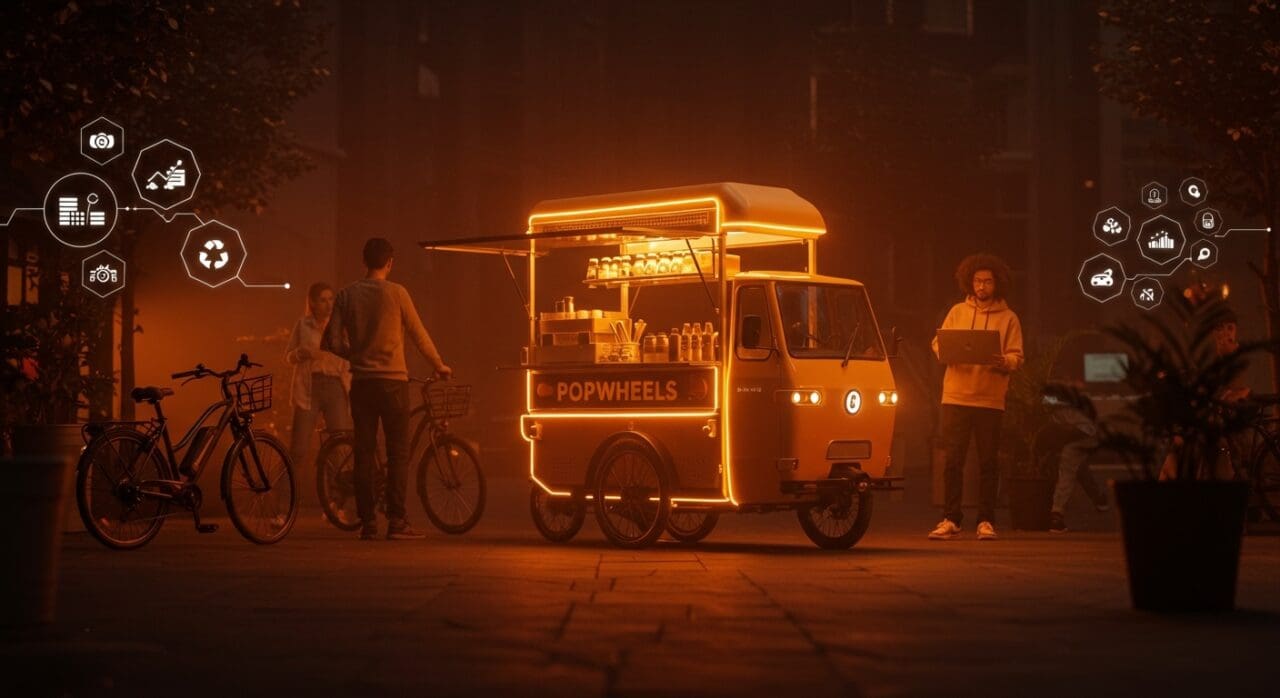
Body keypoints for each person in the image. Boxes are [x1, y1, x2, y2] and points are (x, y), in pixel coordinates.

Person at [323, 238, 452, 540]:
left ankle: (368, 523)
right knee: (398, 453)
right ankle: (397, 522)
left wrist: (355, 355)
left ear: (364, 261)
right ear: (390, 262)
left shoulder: (346, 295)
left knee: (364, 452)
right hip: (394, 383)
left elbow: (331, 342)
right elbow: (419, 335)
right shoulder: (397, 293)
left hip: (362, 385)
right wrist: (439, 365)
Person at [928, 253, 1024, 541]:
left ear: (998, 284)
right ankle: (951, 518)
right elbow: (937, 343)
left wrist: (1004, 361)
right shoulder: (957, 311)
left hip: (989, 399)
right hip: (955, 396)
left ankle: (986, 520)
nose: (982, 286)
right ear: (969, 282)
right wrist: (945, 351)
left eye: (988, 281)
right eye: (977, 281)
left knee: (988, 462)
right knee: (953, 460)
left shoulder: (1009, 318)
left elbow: (1017, 356)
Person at [285, 282, 352, 472]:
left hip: (336, 386)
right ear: (312, 303)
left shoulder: (341, 325)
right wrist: (302, 353)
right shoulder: (303, 325)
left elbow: (352, 353)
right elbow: (289, 356)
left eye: (331, 299)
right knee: (298, 448)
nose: (328, 304)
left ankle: (335, 496)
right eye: (323, 300)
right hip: (309, 388)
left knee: (340, 445)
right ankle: (286, 497)